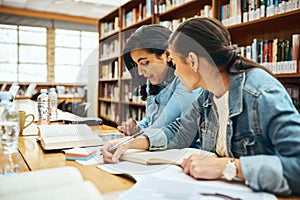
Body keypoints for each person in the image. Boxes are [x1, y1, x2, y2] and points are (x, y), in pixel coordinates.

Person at [101, 17, 300, 196]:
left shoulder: (260, 93)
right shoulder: (206, 95)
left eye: (177, 64)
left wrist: (228, 167)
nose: (176, 73)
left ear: (193, 61)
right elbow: (178, 132)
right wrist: (127, 144)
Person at [118, 24, 200, 137]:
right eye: (137, 65)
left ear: (167, 54)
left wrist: (138, 135)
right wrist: (137, 127)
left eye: (145, 63)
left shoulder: (186, 81)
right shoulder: (152, 81)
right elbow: (150, 121)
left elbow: (162, 126)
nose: (140, 72)